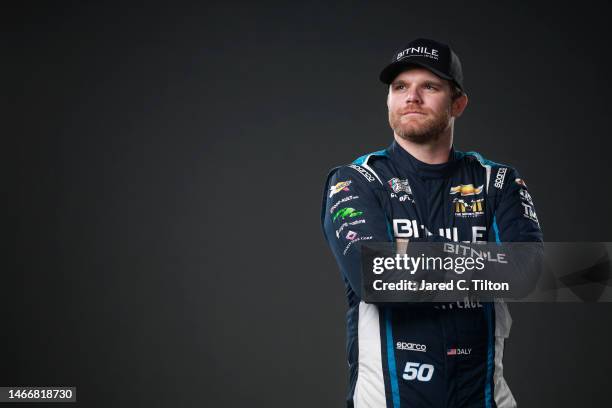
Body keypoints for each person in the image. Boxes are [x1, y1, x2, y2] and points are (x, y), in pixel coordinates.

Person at [320, 38, 543, 408]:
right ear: (389, 100)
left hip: (485, 397)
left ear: (457, 103)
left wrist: (406, 259)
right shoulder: (355, 180)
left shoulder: (497, 181)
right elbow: (376, 277)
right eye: (400, 87)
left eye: (430, 86)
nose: (412, 97)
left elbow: (528, 271)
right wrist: (484, 261)